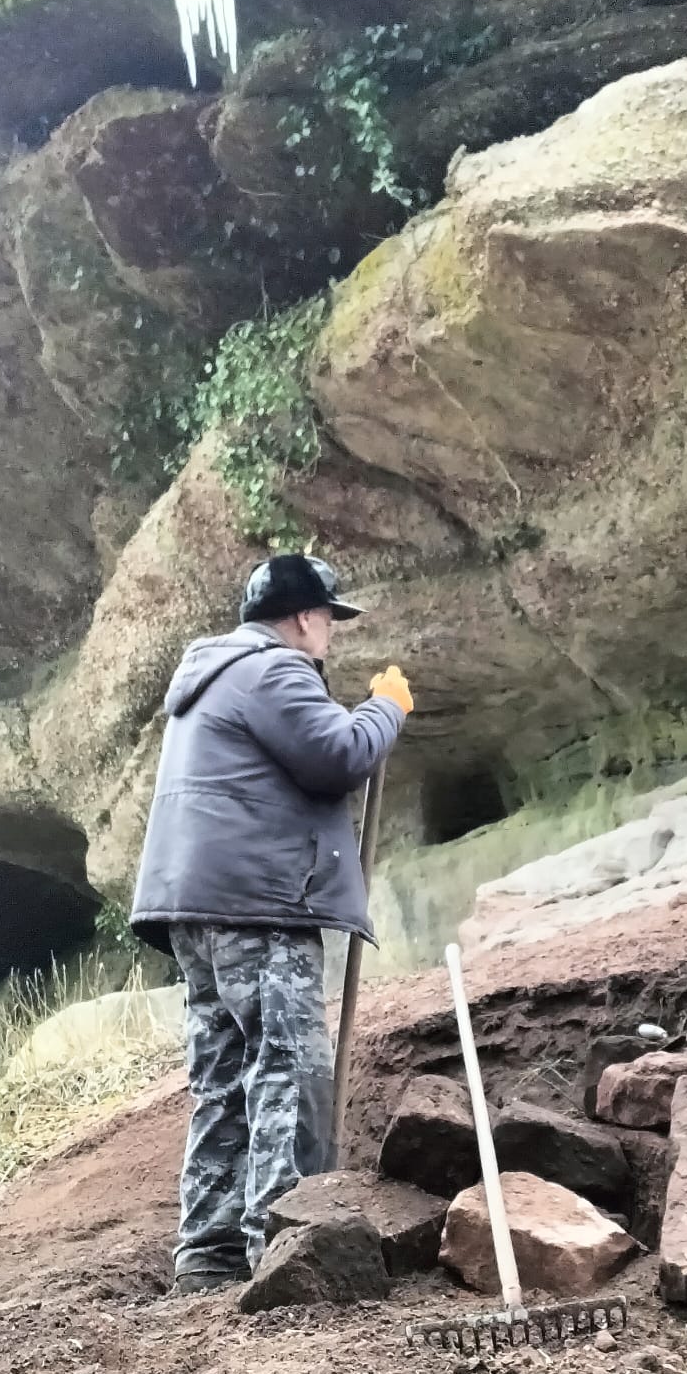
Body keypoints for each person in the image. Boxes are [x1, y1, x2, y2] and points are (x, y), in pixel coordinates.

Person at [130, 552, 413, 1295]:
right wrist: (386, 707)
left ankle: (209, 1254)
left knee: (223, 1075)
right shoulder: (275, 668)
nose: (331, 635)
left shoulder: (209, 676)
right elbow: (339, 755)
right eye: (330, 620)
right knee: (288, 1065)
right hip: (258, 905)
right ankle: (289, 1247)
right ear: (304, 617)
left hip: (194, 909)